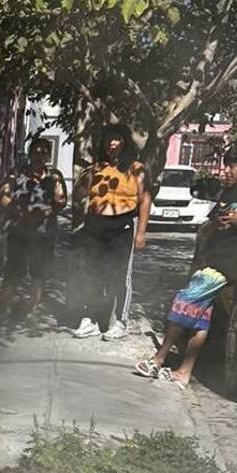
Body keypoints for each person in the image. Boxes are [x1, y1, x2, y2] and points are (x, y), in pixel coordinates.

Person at [136, 143, 237, 386]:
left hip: (228, 265)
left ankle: (158, 359)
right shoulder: (230, 191)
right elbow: (215, 218)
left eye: (233, 165)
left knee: (182, 304)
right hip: (212, 260)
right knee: (199, 318)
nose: (227, 170)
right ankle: (184, 372)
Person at [69, 125, 152, 340]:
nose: (112, 145)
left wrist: (141, 232)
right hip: (95, 224)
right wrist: (86, 175)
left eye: (116, 140)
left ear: (124, 143)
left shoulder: (136, 169)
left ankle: (121, 322)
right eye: (108, 141)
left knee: (119, 275)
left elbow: (145, 201)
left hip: (122, 225)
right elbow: (78, 195)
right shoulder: (97, 169)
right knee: (92, 273)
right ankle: (91, 318)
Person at [0, 136, 68, 323]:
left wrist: (46, 212)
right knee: (13, 271)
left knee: (39, 273)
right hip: (18, 231)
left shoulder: (55, 177)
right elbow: (4, 197)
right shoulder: (17, 174)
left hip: (44, 233)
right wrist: (21, 212)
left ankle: (33, 309)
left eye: (44, 152)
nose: (40, 155)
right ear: (30, 153)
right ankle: (7, 309)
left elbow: (62, 201)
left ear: (49, 156)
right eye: (36, 151)